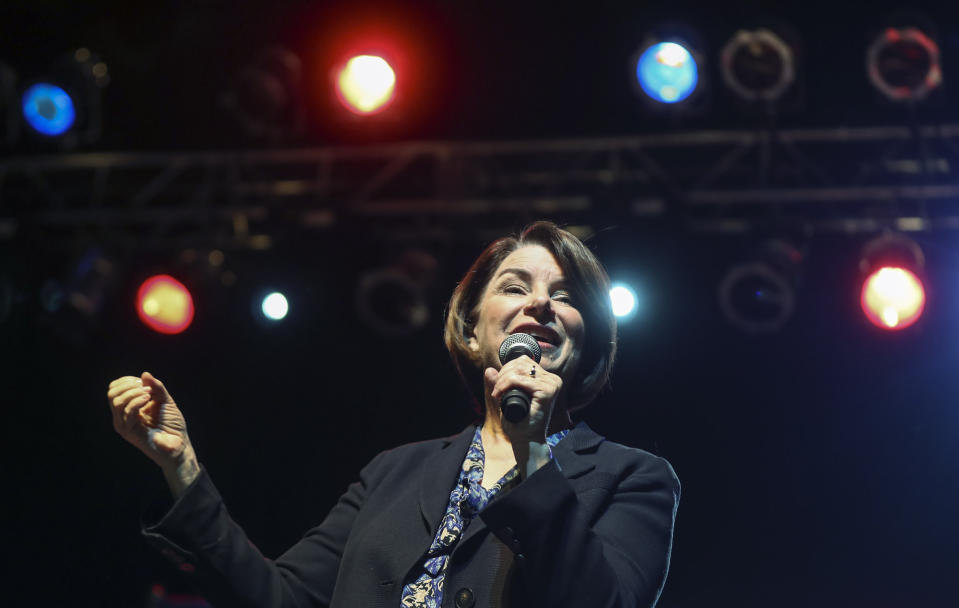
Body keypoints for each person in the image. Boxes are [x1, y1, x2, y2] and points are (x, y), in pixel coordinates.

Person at [108, 221, 680, 608]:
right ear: (472, 329)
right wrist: (181, 466)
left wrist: (532, 454)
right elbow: (277, 598)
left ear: (588, 340)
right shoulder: (393, 473)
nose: (539, 304)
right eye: (515, 286)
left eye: (566, 296)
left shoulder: (633, 479)